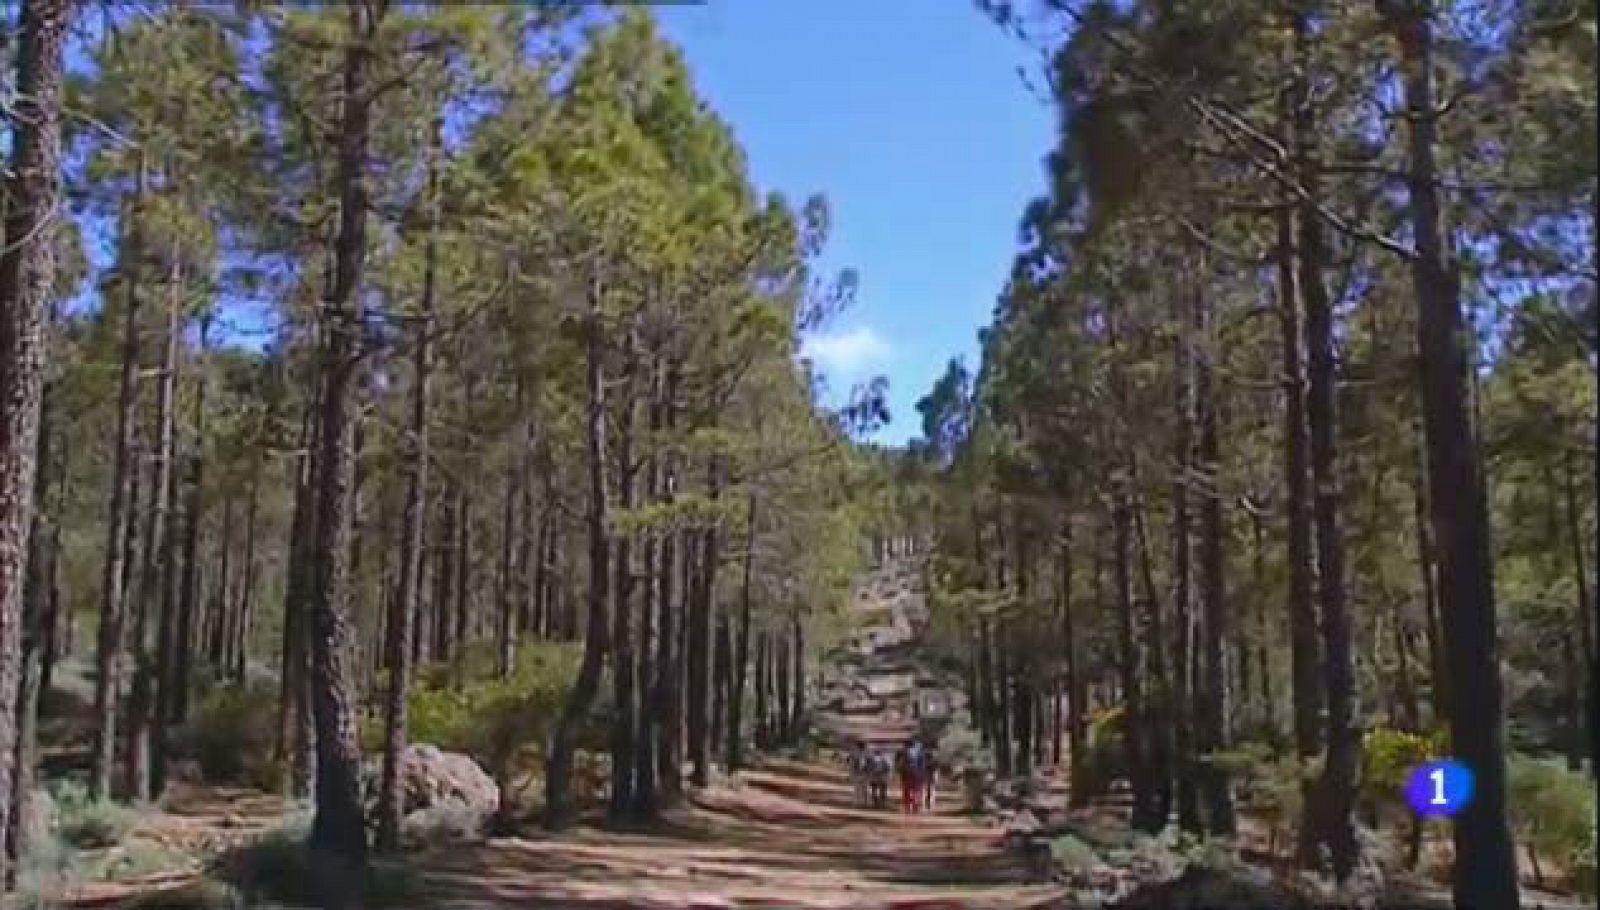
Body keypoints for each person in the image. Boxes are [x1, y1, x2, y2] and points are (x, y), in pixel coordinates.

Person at [896, 742, 922, 815]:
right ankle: (915, 806)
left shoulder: (902, 752)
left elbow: (899, 764)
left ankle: (907, 807)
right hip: (917, 774)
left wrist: (899, 772)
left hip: (905, 775)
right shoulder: (919, 752)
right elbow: (922, 764)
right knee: (915, 790)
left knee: (906, 791)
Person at [847, 741, 870, 807]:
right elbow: (848, 760)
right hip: (857, 772)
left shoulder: (867, 753)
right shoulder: (854, 752)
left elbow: (870, 762)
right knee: (858, 788)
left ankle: (863, 802)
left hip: (863, 772)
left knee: (863, 788)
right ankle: (858, 802)